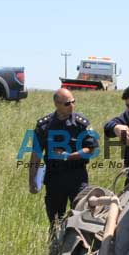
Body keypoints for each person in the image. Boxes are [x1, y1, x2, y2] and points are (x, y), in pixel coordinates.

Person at [29, 88, 98, 225]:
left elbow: (91, 149)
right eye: (67, 103)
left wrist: (69, 156)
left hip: (77, 177)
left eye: (73, 102)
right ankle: (55, 245)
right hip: (54, 179)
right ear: (57, 104)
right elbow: (36, 155)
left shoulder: (81, 124)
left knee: (81, 218)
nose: (71, 105)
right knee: (55, 221)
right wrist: (32, 180)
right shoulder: (44, 126)